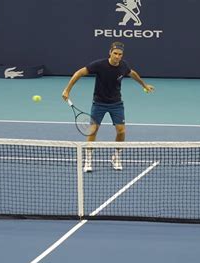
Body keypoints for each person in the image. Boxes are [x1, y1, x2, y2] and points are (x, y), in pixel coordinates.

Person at [62, 41, 154, 172]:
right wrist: (67, 90)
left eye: (120, 54)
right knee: (93, 130)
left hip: (116, 104)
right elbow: (79, 73)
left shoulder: (124, 66)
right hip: (99, 103)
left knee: (121, 131)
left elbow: (132, 73)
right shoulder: (99, 65)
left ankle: (116, 157)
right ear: (110, 52)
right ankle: (88, 160)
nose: (117, 56)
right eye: (115, 53)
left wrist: (144, 85)